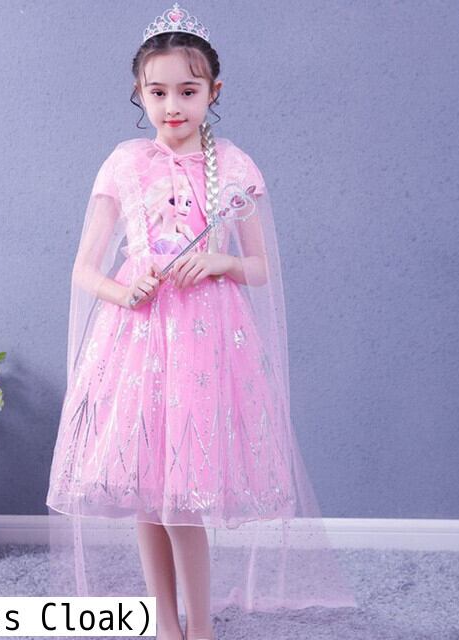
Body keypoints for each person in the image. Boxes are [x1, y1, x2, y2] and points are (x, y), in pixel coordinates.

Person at [46, 4, 358, 640]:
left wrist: (220, 260)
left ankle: (202, 626)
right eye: (157, 92)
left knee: (183, 495)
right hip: (137, 339)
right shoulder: (125, 163)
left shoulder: (234, 167)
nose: (172, 106)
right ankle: (166, 622)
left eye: (188, 91)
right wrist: (122, 288)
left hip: (206, 341)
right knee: (147, 489)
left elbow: (262, 268)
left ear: (214, 91)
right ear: (139, 92)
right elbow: (83, 269)